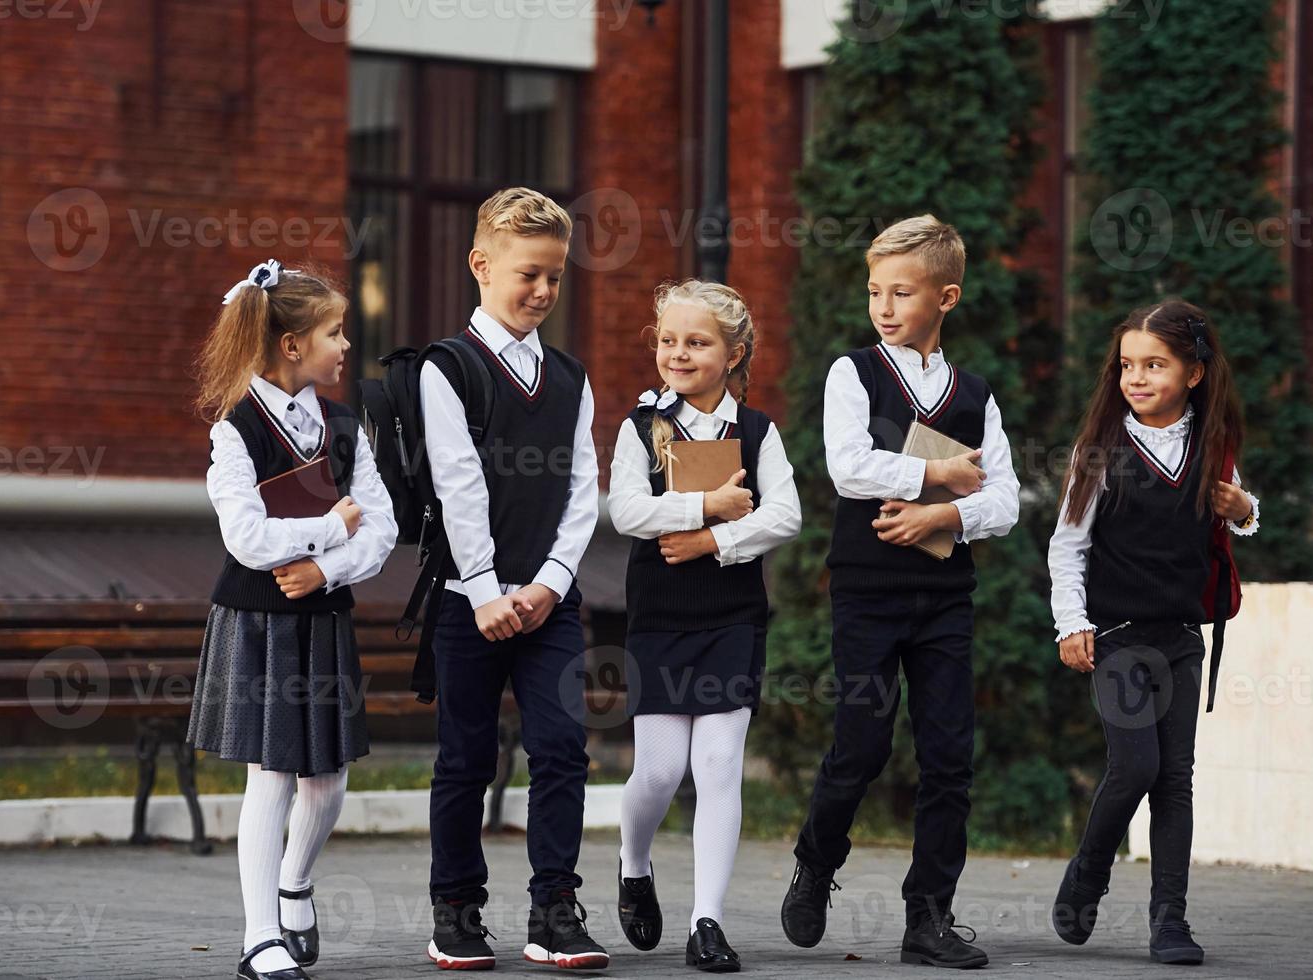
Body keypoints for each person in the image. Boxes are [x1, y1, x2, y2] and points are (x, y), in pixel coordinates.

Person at [780, 215, 1020, 969]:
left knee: (950, 757)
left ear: (946, 297)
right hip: (868, 592)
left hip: (946, 598)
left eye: (902, 292)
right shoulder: (853, 373)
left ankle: (929, 918)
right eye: (875, 290)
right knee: (863, 742)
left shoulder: (977, 394)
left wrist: (946, 514)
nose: (883, 306)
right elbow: (848, 466)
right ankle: (817, 862)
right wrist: (938, 474)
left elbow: (1006, 501)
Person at [188, 259, 398, 980]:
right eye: (335, 333)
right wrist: (330, 530)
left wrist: (324, 565)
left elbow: (383, 526)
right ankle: (259, 939)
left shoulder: (343, 424)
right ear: (290, 345)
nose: (346, 346)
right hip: (259, 620)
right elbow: (244, 539)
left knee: (329, 781)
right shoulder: (234, 430)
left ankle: (295, 883)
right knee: (272, 775)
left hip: (322, 611)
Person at [420, 187, 608, 970]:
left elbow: (582, 488)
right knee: (465, 757)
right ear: (481, 265)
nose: (542, 291)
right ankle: (456, 912)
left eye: (555, 278)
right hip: (470, 602)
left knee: (562, 749)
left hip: (547, 602)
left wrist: (552, 581)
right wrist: (490, 588)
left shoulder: (570, 376)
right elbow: (458, 486)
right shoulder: (448, 369)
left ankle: (554, 910)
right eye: (528, 274)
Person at [1048, 299, 1258, 966]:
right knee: (1136, 764)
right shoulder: (1099, 451)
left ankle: (1170, 922)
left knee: (1175, 780)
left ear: (1193, 373)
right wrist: (1071, 624)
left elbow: (1240, 516)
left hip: (1181, 640)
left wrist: (1244, 507)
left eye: (1154, 365)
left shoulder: (1215, 444)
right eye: (1127, 365)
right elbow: (1067, 546)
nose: (1135, 378)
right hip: (1116, 637)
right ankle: (1089, 869)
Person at [609, 279, 802, 972]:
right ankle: (634, 864)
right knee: (660, 772)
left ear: (733, 354)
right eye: (668, 340)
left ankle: (707, 923)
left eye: (696, 342)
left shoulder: (758, 431)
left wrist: (716, 542)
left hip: (731, 618)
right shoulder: (640, 427)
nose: (678, 354)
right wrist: (705, 507)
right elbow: (627, 511)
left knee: (719, 765)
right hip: (659, 618)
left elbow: (786, 515)